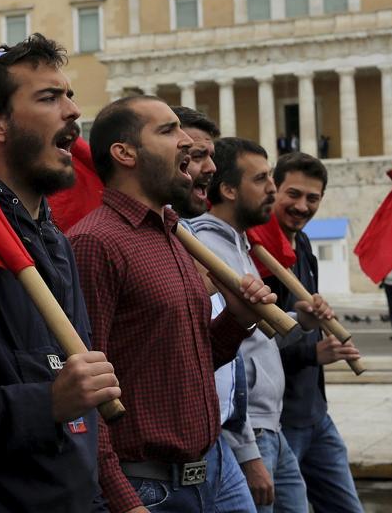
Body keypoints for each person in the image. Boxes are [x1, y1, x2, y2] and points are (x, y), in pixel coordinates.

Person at [70, 95, 277, 513]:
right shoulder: (96, 243)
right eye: (168, 131)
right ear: (124, 153)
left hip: (211, 472)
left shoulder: (176, 236)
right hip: (149, 488)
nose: (186, 141)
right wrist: (124, 500)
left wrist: (238, 318)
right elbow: (85, 394)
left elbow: (195, 359)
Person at [0, 34, 120, 512]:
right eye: (48, 97)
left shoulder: (56, 240)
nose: (72, 112)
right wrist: (48, 403)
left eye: (69, 95)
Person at [189, 139, 322, 513]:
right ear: (229, 189)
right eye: (262, 179)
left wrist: (302, 321)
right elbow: (220, 359)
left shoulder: (240, 245)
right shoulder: (206, 248)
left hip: (270, 426)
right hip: (249, 432)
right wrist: (246, 449)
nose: (272, 190)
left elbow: (254, 337)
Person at [266, 153, 364, 513]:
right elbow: (252, 346)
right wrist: (313, 354)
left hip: (316, 413)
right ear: (272, 189)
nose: (301, 206)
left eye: (312, 198)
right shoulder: (261, 257)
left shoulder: (303, 245)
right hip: (280, 420)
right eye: (293, 194)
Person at [170, 108, 256, 513]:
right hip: (165, 458)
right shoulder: (106, 242)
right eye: (196, 154)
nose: (211, 169)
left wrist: (240, 317)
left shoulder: (185, 233)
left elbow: (204, 354)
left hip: (216, 438)